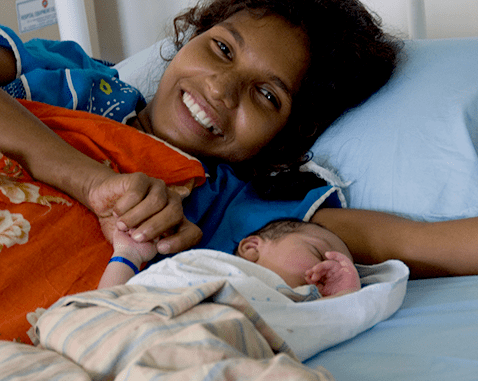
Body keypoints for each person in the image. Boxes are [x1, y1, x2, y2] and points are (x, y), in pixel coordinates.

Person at [0, 0, 475, 308]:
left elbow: (417, 244)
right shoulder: (72, 78)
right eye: (222, 49)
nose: (222, 88)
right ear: (190, 41)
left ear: (285, 140)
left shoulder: (234, 208)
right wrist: (90, 181)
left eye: (267, 96)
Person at [99, 218, 361, 300]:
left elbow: (333, 321)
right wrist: (128, 255)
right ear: (251, 248)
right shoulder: (202, 266)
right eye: (318, 253)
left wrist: (344, 293)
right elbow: (106, 307)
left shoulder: (297, 307)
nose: (330, 270)